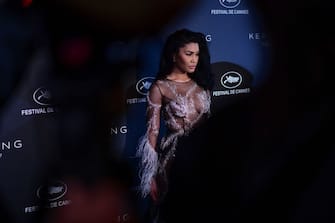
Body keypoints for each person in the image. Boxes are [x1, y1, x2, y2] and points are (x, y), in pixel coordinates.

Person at [135, 28, 213, 222]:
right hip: (173, 158)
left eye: (196, 54)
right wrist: (151, 176)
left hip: (204, 156)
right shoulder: (160, 87)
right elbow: (152, 133)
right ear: (173, 55)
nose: (194, 59)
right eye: (189, 54)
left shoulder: (203, 85)